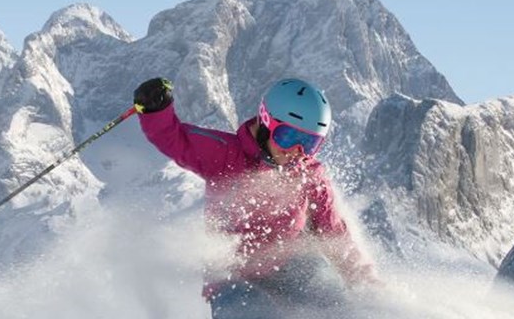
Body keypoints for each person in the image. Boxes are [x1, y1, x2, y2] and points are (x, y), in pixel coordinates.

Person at [133, 77, 379, 318]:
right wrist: (156, 110)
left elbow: (333, 232)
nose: (297, 151)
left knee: (336, 303)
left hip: (289, 263)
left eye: (309, 143)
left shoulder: (309, 174)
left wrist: (369, 287)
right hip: (232, 275)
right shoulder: (225, 154)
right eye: (288, 137)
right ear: (265, 122)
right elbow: (175, 139)